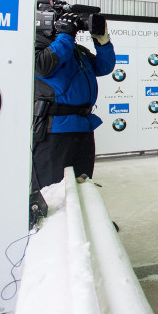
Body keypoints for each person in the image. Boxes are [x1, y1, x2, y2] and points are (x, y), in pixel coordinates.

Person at [32, 12, 115, 191]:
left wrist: (102, 42)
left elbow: (104, 67)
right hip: (55, 129)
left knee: (83, 186)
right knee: (53, 190)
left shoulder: (74, 49)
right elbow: (42, 66)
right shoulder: (38, 43)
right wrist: (65, 35)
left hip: (83, 127)